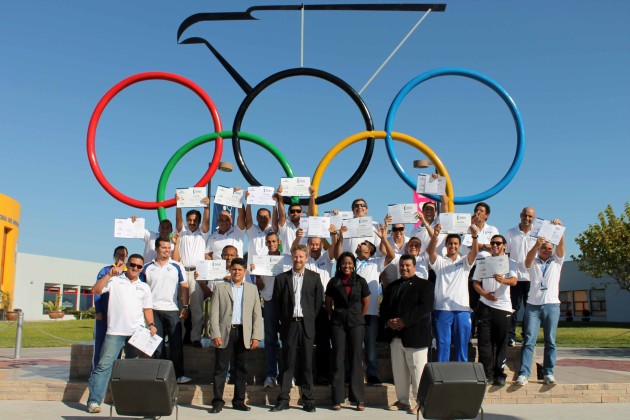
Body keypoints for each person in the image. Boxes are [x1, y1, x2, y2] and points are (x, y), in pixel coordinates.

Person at [86, 254, 156, 414]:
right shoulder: (115, 280)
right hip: (115, 332)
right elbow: (95, 290)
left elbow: (147, 309)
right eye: (133, 265)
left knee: (132, 369)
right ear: (128, 265)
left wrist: (151, 324)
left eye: (139, 267)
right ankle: (94, 401)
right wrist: (110, 274)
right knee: (104, 365)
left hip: (136, 333)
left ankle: (129, 401)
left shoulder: (144, 286)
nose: (135, 268)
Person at [337, 219, 395, 386]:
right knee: (351, 346)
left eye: (362, 243)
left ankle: (373, 374)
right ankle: (349, 374)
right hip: (352, 313)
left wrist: (384, 238)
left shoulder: (376, 262)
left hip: (370, 313)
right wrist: (341, 236)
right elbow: (337, 254)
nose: (358, 244)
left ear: (369, 249)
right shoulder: (350, 264)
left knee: (370, 346)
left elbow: (390, 256)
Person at [270, 245, 323, 413]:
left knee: (307, 363)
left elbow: (317, 303)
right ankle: (284, 399)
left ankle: (308, 399)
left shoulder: (315, 278)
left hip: (307, 325)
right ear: (291, 258)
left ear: (306, 259)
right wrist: (284, 320)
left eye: (301, 257)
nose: (298, 259)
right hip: (289, 325)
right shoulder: (281, 279)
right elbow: (278, 304)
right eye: (295, 256)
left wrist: (309, 320)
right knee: (288, 363)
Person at [379, 254, 434, 414]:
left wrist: (404, 321)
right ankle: (403, 401)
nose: (404, 268)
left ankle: (421, 402)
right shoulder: (393, 286)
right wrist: (389, 321)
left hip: (415, 335)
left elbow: (424, 309)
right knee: (399, 371)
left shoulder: (425, 286)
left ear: (414, 266)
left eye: (408, 265)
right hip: (395, 336)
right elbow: (385, 307)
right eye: (402, 266)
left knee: (418, 372)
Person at [208, 258, 263, 413]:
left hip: (244, 333)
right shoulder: (221, 287)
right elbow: (214, 313)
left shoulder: (252, 289)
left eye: (240, 269)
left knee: (242, 368)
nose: (237, 272)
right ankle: (218, 401)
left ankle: (238, 401)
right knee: (220, 368)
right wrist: (215, 333)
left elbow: (257, 314)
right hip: (225, 332)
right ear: (230, 270)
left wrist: (256, 335)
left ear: (245, 271)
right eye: (234, 269)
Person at [516, 220, 565, 386]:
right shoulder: (534, 261)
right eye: (545, 248)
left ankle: (549, 373)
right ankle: (524, 374)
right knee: (529, 340)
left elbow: (561, 247)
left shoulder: (556, 262)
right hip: (533, 306)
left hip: (552, 305)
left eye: (550, 249)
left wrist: (559, 229)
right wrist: (537, 245)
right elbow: (527, 261)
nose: (547, 251)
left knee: (550, 340)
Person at [140, 237, 191, 384]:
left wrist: (185, 306)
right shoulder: (147, 267)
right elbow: (142, 290)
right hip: (153, 310)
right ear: (156, 249)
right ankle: (161, 375)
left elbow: (184, 287)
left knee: (176, 344)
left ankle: (178, 375)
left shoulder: (177, 266)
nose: (167, 251)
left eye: (169, 248)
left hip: (172, 309)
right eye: (164, 248)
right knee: (157, 345)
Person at [427, 223, 479, 362]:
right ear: (446, 245)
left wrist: (475, 237)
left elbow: (474, 253)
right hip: (443, 309)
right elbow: (430, 252)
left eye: (456, 244)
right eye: (450, 243)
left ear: (459, 245)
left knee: (461, 345)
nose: (453, 246)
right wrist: (435, 235)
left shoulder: (465, 262)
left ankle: (461, 377)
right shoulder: (440, 262)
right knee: (443, 345)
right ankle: (442, 376)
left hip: (462, 309)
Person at [325, 251, 370, 411]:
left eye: (350, 263)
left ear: (354, 265)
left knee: (356, 359)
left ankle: (358, 399)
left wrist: (357, 316)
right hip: (338, 322)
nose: (347, 266)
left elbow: (366, 302)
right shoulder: (334, 282)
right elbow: (328, 303)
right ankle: (336, 398)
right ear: (339, 265)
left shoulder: (360, 281)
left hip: (356, 323)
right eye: (344, 263)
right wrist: (335, 315)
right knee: (338, 358)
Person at [472, 235, 518, 386]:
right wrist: (484, 294)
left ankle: (499, 373)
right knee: (484, 341)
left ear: (504, 245)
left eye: (498, 243)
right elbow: (475, 282)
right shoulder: (484, 261)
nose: (495, 246)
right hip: (485, 305)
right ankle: (486, 373)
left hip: (502, 306)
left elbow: (514, 281)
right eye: (492, 243)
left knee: (500, 341)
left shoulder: (510, 262)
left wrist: (503, 280)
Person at [253, 232, 292, 388]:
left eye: (274, 241)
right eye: (268, 241)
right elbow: (261, 287)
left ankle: (289, 375)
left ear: (279, 242)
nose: (271, 244)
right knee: (270, 340)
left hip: (286, 303)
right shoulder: (261, 260)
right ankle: (271, 375)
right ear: (265, 243)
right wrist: (256, 276)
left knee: (287, 340)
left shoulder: (287, 258)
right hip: (269, 302)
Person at [173, 197, 211, 348]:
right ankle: (180, 337)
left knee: (196, 309)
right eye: (189, 220)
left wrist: (207, 206)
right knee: (182, 307)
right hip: (183, 273)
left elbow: (207, 221)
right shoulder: (182, 233)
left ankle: (196, 338)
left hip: (197, 274)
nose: (192, 222)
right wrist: (178, 204)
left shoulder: (203, 233)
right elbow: (178, 220)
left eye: (195, 220)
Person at [92, 246, 127, 373]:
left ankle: (113, 373)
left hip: (121, 316)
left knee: (116, 346)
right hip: (105, 313)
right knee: (101, 344)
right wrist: (99, 311)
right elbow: (97, 292)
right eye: (118, 254)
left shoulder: (130, 272)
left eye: (123, 255)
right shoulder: (106, 270)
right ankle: (96, 372)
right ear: (114, 255)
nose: (121, 257)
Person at [505, 207, 537, 346]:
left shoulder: (538, 234)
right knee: (513, 308)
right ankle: (510, 336)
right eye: (525, 215)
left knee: (530, 310)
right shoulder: (510, 233)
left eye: (530, 216)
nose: (527, 218)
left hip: (532, 278)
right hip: (515, 277)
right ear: (520, 215)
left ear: (533, 218)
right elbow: (506, 254)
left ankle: (527, 337)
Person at [273, 185, 307, 254]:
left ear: (302, 213)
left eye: (298, 211)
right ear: (288, 213)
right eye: (292, 211)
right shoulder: (285, 225)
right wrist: (280, 195)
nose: (295, 213)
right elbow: (282, 214)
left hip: (302, 260)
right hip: (286, 262)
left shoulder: (306, 225)